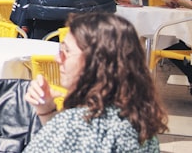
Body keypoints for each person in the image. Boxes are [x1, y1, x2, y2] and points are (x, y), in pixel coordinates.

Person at [23, 12, 167, 152]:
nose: (58, 59)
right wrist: (47, 111)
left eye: (66, 51)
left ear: (96, 63)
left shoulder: (74, 125)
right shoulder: (140, 124)